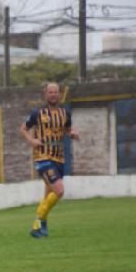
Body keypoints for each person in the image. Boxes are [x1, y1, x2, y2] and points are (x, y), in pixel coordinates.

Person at [20, 82, 80, 238]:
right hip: (43, 157)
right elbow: (23, 129)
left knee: (48, 196)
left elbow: (67, 129)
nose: (53, 94)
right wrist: (32, 141)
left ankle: (39, 226)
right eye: (50, 92)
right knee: (59, 191)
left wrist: (72, 133)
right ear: (45, 94)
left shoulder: (65, 113)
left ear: (59, 95)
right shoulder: (37, 113)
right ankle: (38, 222)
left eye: (55, 92)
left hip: (59, 158)